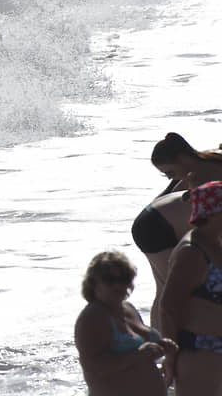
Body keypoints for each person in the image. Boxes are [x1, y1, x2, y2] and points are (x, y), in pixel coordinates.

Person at [134, 133, 222, 329]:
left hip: (153, 221)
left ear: (181, 159)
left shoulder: (202, 167)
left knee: (166, 289)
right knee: (176, 292)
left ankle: (163, 345)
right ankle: (172, 345)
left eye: (170, 173)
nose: (172, 178)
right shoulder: (203, 170)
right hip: (155, 227)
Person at [74, 251, 177, 396]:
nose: (118, 285)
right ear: (92, 283)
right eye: (109, 280)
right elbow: (94, 368)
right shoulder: (92, 317)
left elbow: (140, 356)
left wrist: (163, 347)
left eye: (124, 278)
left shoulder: (129, 309)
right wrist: (138, 355)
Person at [159, 181, 222, 395]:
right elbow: (168, 307)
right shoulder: (191, 252)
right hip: (200, 348)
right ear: (212, 213)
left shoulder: (216, 243)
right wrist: (170, 356)